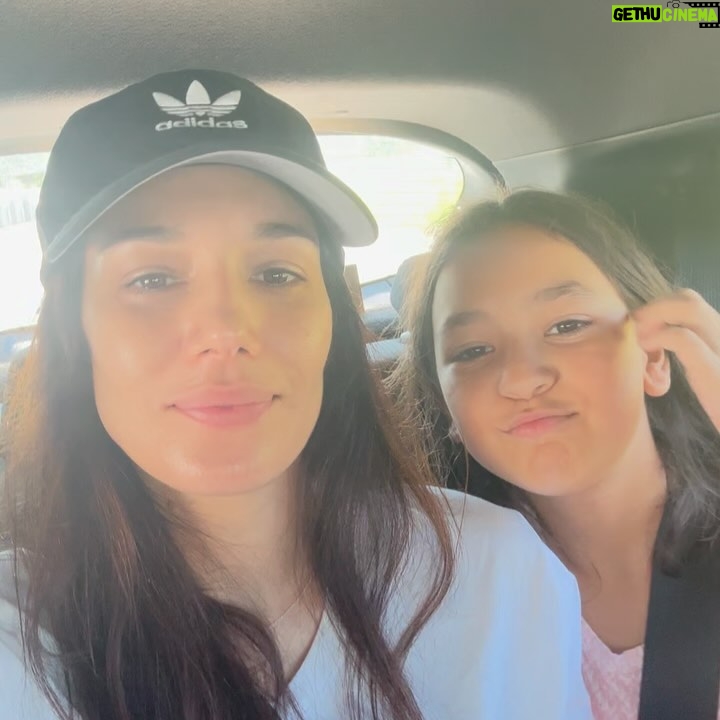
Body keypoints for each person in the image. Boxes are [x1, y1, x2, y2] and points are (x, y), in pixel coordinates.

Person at [0, 71, 590, 720]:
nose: (227, 331)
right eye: (152, 279)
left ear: (333, 317)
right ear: (73, 330)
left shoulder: (498, 573)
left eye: (277, 272)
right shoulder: (18, 643)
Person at [394, 188, 720, 720]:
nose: (521, 378)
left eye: (567, 326)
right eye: (473, 350)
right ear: (447, 408)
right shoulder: (433, 588)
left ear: (654, 358)